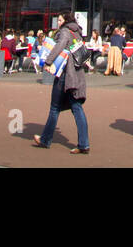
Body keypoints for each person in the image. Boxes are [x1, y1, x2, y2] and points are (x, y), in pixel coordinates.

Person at [33, 12, 90, 154]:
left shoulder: (65, 32)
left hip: (66, 74)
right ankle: (84, 143)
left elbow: (59, 46)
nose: (57, 22)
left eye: (59, 19)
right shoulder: (77, 32)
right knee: (76, 107)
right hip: (77, 74)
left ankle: (45, 140)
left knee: (55, 107)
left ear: (65, 20)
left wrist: (48, 61)